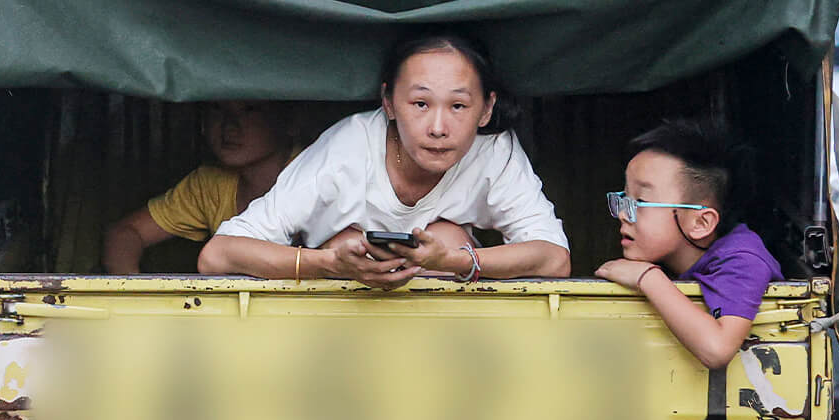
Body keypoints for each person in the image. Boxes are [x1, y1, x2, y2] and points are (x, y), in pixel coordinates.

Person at [199, 31, 570, 286]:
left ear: (486, 109)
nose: (439, 127)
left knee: (447, 236)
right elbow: (217, 256)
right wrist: (327, 264)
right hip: (334, 321)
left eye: (458, 105)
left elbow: (554, 259)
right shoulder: (349, 148)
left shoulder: (492, 149)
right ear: (389, 102)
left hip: (444, 336)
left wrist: (454, 261)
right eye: (420, 103)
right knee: (346, 241)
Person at [596, 118, 780, 369]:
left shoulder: (743, 259)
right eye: (623, 198)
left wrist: (648, 278)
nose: (623, 214)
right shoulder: (677, 255)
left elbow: (717, 349)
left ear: (700, 223)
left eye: (639, 201)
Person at [103, 100, 294, 273]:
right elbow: (125, 233)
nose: (229, 125)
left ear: (289, 120)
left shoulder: (315, 173)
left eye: (250, 109)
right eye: (217, 108)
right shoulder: (211, 184)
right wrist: (134, 298)